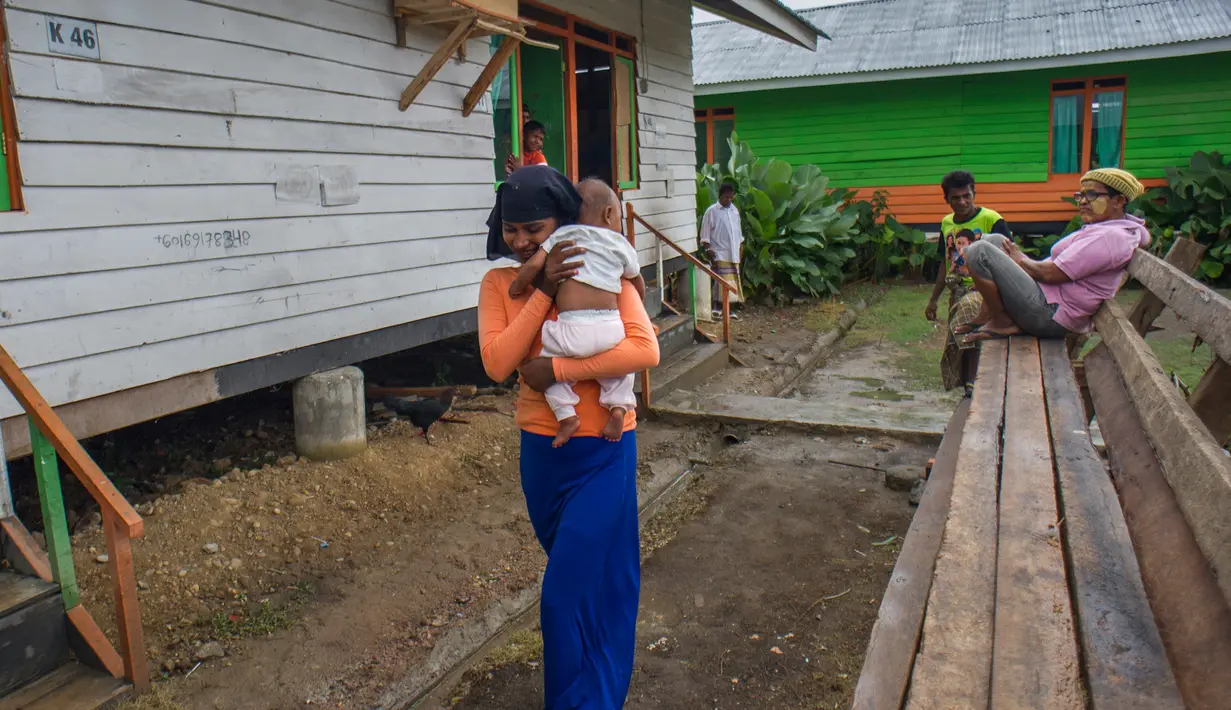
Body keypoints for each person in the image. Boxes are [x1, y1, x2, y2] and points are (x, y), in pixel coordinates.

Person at [478, 166, 659, 709]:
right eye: (512, 229)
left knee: (565, 595)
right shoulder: (498, 286)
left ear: (561, 222)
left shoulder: (601, 269)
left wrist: (558, 372)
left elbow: (644, 350)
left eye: (534, 228)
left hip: (605, 451)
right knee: (589, 585)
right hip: (543, 455)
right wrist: (544, 290)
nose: (521, 240)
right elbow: (499, 362)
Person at [508, 179, 646, 447]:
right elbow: (637, 281)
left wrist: (517, 286)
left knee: (543, 367)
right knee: (621, 372)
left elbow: (534, 266)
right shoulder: (620, 244)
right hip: (610, 329)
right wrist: (637, 306)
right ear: (609, 214)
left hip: (571, 330)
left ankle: (567, 416)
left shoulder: (562, 236)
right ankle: (618, 409)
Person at [958, 168, 1150, 343]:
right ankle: (989, 314)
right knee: (995, 240)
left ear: (1119, 201)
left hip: (1050, 313)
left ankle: (1002, 322)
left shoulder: (1110, 237)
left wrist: (1020, 260)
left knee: (979, 250)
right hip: (1048, 299)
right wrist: (1018, 260)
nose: (1083, 201)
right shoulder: (1107, 228)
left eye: (1092, 195)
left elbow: (1051, 274)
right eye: (1081, 195)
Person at [926, 171, 1012, 393]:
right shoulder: (946, 223)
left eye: (967, 195)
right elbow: (946, 263)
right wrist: (933, 299)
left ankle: (975, 381)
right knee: (959, 336)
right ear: (947, 199)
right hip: (957, 289)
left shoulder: (992, 220)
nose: (962, 202)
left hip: (985, 289)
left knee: (971, 323)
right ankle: (966, 383)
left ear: (974, 193)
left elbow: (1010, 257)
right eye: (956, 198)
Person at [699, 182, 744, 313]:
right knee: (722, 281)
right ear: (720, 196)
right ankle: (718, 307)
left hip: (733, 252)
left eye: (731, 197)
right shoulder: (712, 211)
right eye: (726, 197)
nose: (728, 200)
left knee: (733, 281)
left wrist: (740, 248)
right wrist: (708, 249)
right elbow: (705, 233)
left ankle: (730, 309)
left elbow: (738, 233)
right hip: (719, 252)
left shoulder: (734, 211)